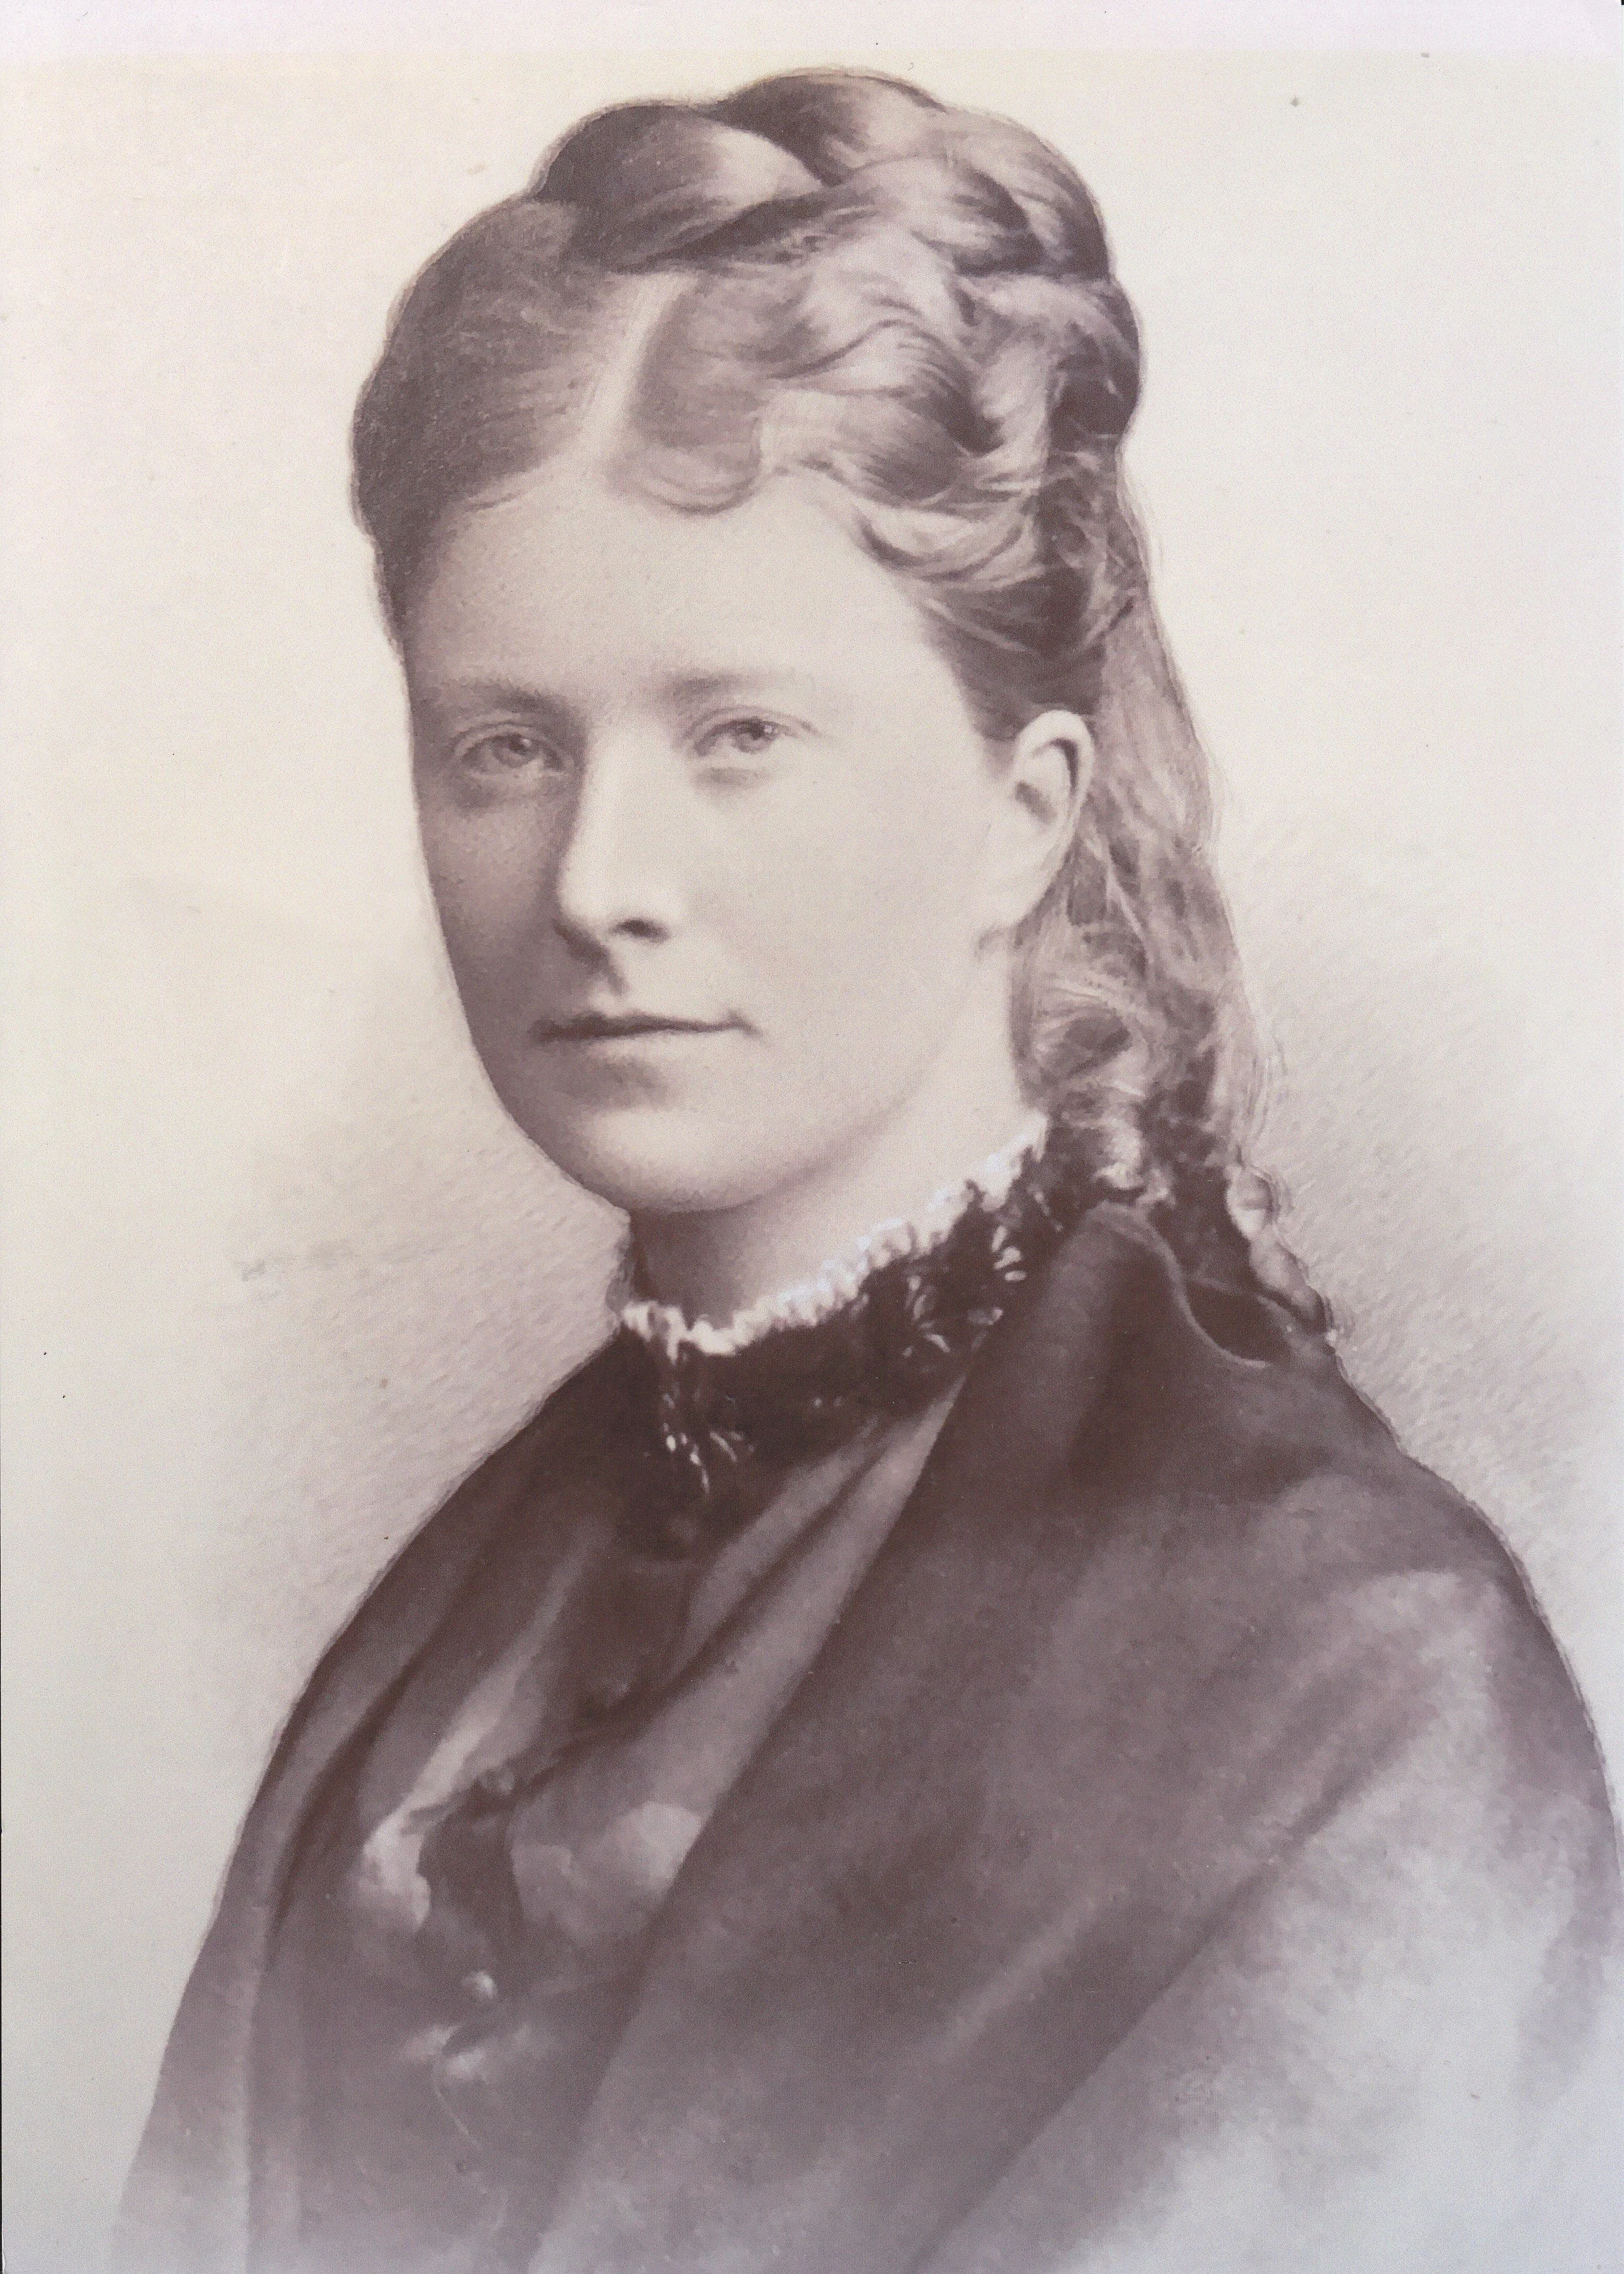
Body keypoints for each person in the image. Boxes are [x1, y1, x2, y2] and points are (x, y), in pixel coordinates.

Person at [116, 66, 1619, 2274]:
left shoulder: (1355, 1689)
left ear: (1022, 814)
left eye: (740, 737)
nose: (599, 879)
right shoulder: (454, 1633)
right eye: (505, 748)